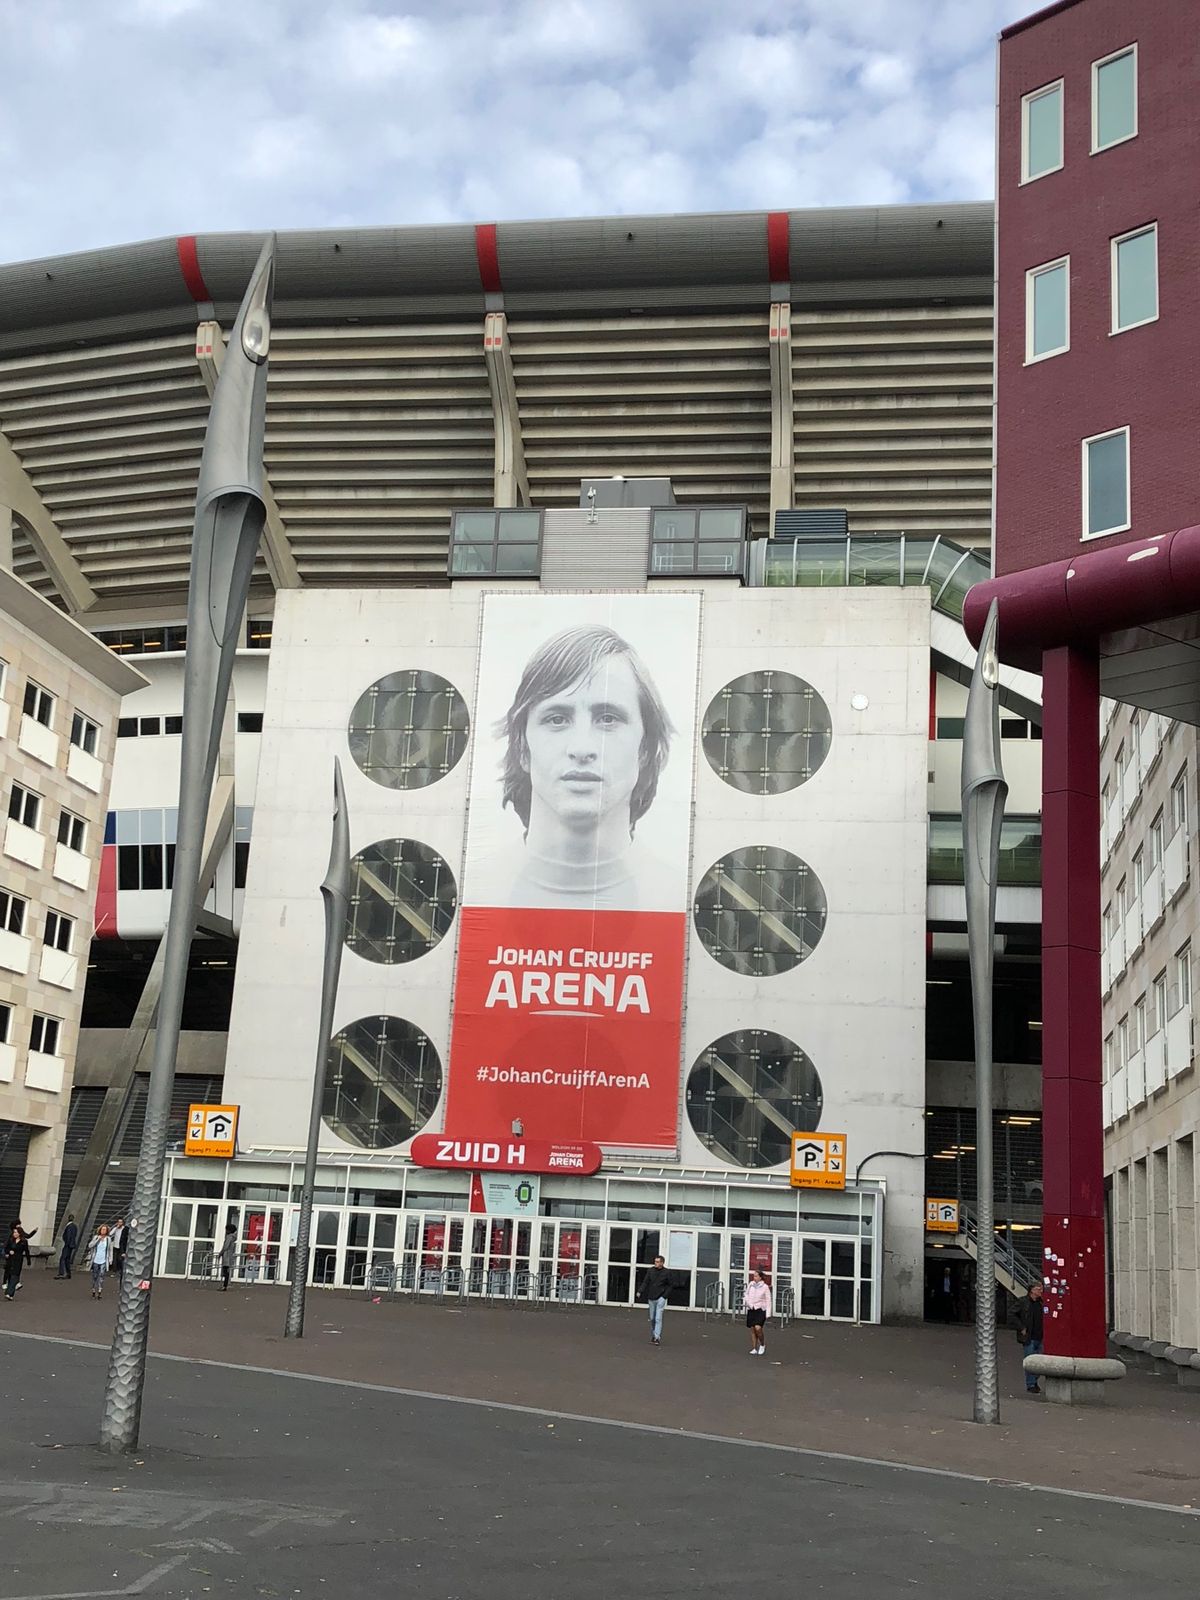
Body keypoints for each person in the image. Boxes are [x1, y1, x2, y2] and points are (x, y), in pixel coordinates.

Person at [494, 624, 674, 909]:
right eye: (557, 719)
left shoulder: (676, 896)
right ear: (522, 748)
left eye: (608, 718)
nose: (581, 748)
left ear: (644, 749)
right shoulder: (479, 891)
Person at [1014, 1279, 1045, 1395]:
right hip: (1029, 1336)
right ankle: (1031, 1384)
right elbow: (1012, 1313)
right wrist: (1021, 1327)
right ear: (1032, 1290)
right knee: (1030, 1361)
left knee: (1040, 1362)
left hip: (1040, 1335)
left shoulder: (1041, 1302)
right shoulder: (1023, 1302)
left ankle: (1034, 1380)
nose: (1041, 1291)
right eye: (1038, 1289)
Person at [639, 1254, 672, 1346]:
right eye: (655, 1262)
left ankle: (657, 1337)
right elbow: (646, 1281)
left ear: (662, 1263)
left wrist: (664, 1296)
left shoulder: (667, 1272)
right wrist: (640, 1290)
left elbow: (670, 1285)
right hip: (651, 1297)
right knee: (652, 1318)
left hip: (661, 1298)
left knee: (658, 1318)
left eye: (657, 1262)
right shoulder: (650, 1271)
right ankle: (654, 1335)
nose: (655, 1263)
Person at [745, 1267, 772, 1356]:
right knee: (753, 1329)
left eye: (756, 1276)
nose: (754, 1277)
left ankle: (762, 1344)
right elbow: (746, 1294)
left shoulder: (765, 1287)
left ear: (760, 1277)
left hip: (760, 1309)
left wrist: (768, 1313)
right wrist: (748, 1302)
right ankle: (754, 1348)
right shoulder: (751, 1284)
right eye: (754, 1276)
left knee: (758, 1328)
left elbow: (768, 1300)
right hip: (751, 1308)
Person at [3, 1224, 30, 1301]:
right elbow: (6, 1248)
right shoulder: (11, 1240)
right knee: (10, 1275)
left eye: (16, 1232)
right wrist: (8, 1252)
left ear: (20, 1233)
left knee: (15, 1276)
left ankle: (9, 1293)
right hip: (10, 1260)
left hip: (18, 1260)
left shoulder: (24, 1241)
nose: (14, 1234)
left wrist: (28, 1260)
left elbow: (26, 1251)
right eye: (14, 1232)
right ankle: (10, 1294)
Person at [87, 1224, 114, 1299]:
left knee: (101, 1275)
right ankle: (93, 1290)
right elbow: (90, 1245)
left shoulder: (108, 1239)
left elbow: (110, 1250)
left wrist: (110, 1259)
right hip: (95, 1259)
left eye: (105, 1230)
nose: (103, 1231)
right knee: (95, 1276)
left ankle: (99, 1291)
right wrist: (97, 1240)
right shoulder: (96, 1237)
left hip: (103, 1260)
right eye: (102, 1229)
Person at [56, 1214, 78, 1280]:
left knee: (62, 1258)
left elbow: (68, 1235)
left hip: (67, 1245)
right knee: (67, 1259)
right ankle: (68, 1273)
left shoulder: (68, 1226)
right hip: (72, 1245)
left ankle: (61, 1273)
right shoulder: (75, 1226)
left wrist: (66, 1243)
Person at [219, 1222, 238, 1291]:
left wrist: (220, 1253)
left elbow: (225, 1246)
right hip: (229, 1255)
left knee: (225, 1271)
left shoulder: (229, 1237)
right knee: (227, 1271)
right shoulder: (233, 1238)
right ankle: (225, 1285)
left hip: (226, 1255)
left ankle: (224, 1286)